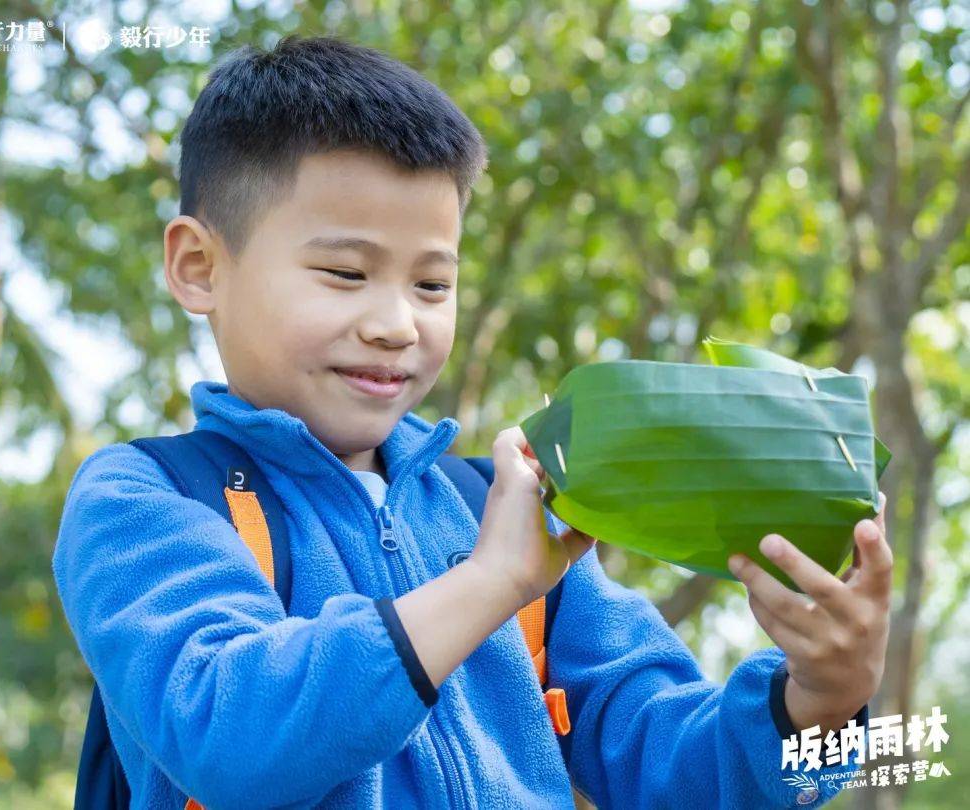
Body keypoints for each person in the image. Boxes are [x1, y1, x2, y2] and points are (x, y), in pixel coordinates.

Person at [52, 34, 892, 809]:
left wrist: (821, 698)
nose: (397, 324)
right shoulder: (147, 500)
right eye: (345, 272)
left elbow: (677, 765)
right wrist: (489, 583)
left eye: (432, 284)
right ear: (199, 266)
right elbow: (229, 733)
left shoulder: (489, 506)